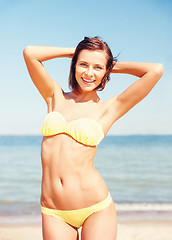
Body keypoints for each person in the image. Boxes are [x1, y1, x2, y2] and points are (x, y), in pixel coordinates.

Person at [23, 37, 163, 240]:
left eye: (97, 68)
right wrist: (77, 51)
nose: (89, 73)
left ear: (105, 72)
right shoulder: (54, 96)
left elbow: (155, 70)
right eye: (83, 65)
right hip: (54, 211)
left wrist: (107, 66)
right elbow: (30, 53)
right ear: (74, 65)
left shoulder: (109, 109)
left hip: (95, 209)